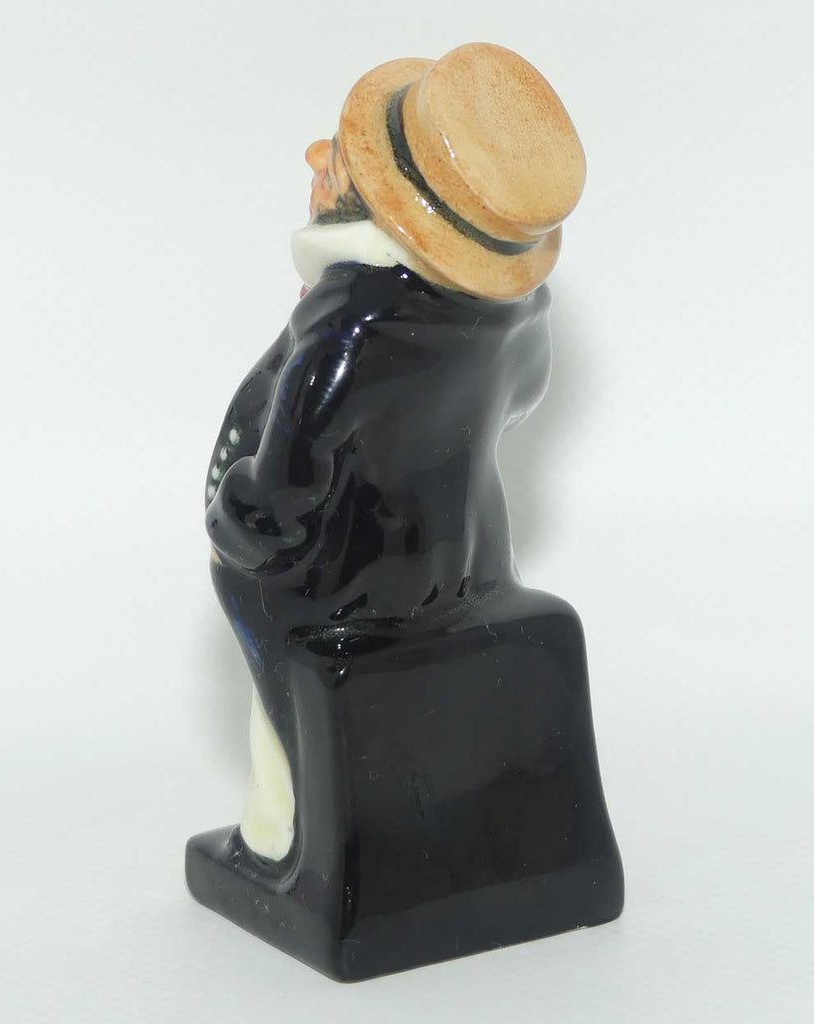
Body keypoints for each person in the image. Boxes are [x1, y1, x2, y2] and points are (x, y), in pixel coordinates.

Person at [188, 43, 623, 982]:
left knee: (268, 640)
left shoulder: (351, 319)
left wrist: (239, 520)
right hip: (462, 562)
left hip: (332, 578)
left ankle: (278, 838)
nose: (317, 160)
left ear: (383, 206)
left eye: (343, 163)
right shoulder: (515, 310)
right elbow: (524, 399)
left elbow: (291, 475)